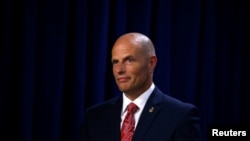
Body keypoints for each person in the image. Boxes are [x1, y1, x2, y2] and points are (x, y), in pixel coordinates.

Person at [79, 32, 201, 141]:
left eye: (129, 60)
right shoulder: (94, 117)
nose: (119, 70)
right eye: (115, 62)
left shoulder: (180, 115)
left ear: (151, 63)